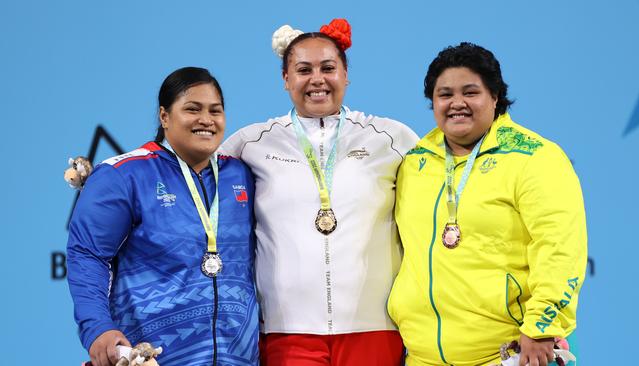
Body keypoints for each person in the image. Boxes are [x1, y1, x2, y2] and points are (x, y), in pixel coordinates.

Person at [219, 19, 419, 366]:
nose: (317, 80)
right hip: (286, 331)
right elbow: (192, 190)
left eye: (329, 68)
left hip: (375, 329)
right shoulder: (249, 143)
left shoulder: (392, 138)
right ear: (285, 79)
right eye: (303, 69)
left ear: (346, 75)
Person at [387, 42, 588, 366]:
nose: (457, 104)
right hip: (423, 357)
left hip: (509, 354)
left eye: (470, 92)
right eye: (445, 94)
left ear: (495, 96)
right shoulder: (415, 162)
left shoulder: (535, 157)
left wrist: (541, 327)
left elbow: (560, 247)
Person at [67, 67, 259, 366]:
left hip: (240, 359)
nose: (206, 120)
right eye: (192, 109)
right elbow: (88, 255)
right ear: (164, 116)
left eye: (215, 111)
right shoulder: (124, 175)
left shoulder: (242, 174)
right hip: (153, 358)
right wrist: (97, 329)